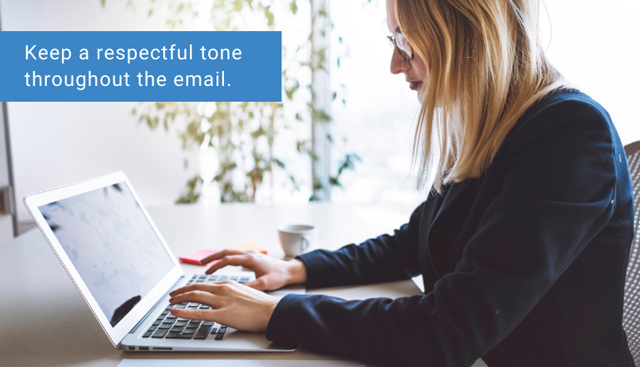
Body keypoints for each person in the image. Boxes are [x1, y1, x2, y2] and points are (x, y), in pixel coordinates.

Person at [168, 0, 635, 366]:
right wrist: (298, 271)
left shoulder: (568, 134)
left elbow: (446, 332)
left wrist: (275, 313)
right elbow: (414, 241)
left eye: (406, 40)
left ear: (464, 34)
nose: (395, 62)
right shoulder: (494, 125)